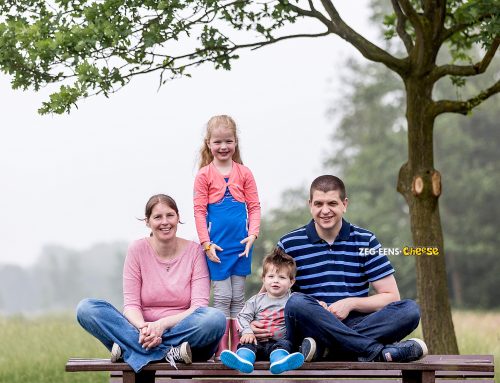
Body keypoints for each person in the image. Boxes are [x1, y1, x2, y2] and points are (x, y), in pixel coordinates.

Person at [253, 175, 427, 363]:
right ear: (310, 205)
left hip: (354, 322)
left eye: (332, 203)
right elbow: (267, 293)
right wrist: (253, 322)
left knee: (409, 310)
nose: (325, 210)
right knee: (296, 303)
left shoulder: (365, 240)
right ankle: (377, 352)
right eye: (318, 204)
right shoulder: (289, 243)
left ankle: (325, 349)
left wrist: (351, 303)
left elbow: (391, 297)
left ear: (344, 204)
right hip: (309, 326)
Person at [76, 194, 226, 373]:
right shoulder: (137, 250)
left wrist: (161, 326)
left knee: (215, 319)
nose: (165, 222)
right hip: (142, 333)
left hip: (185, 335)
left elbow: (198, 307)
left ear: (178, 217)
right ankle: (168, 352)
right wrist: (143, 328)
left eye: (170, 215)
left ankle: (128, 349)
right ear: (148, 222)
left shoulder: (195, 252)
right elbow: (131, 305)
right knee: (86, 308)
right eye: (157, 217)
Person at [193, 115, 261, 357]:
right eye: (218, 142)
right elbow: (199, 212)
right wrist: (206, 243)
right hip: (217, 248)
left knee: (239, 300)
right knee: (222, 297)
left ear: (235, 143)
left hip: (242, 246)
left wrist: (253, 234)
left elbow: (254, 207)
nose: (223, 147)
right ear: (209, 143)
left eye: (228, 141)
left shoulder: (244, 173)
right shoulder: (204, 175)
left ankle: (238, 349)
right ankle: (220, 351)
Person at [220, 248, 305, 374]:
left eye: (282, 277)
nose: (275, 280)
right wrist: (247, 331)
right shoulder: (256, 300)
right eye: (271, 276)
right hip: (256, 342)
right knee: (246, 345)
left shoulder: (293, 300)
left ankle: (280, 362)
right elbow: (242, 316)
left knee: (284, 346)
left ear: (291, 282)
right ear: (263, 279)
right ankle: (243, 361)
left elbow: (305, 313)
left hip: (279, 343)